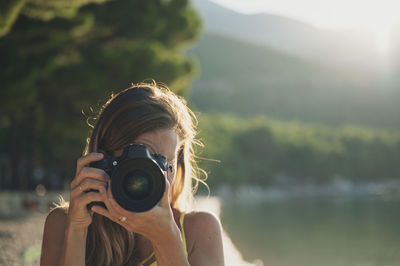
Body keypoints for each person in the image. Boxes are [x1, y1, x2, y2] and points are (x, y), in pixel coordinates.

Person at [40, 82, 225, 266]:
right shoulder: (63, 223)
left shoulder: (199, 230)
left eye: (165, 163)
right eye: (144, 163)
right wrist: (77, 231)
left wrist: (166, 238)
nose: (159, 176)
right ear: (102, 160)